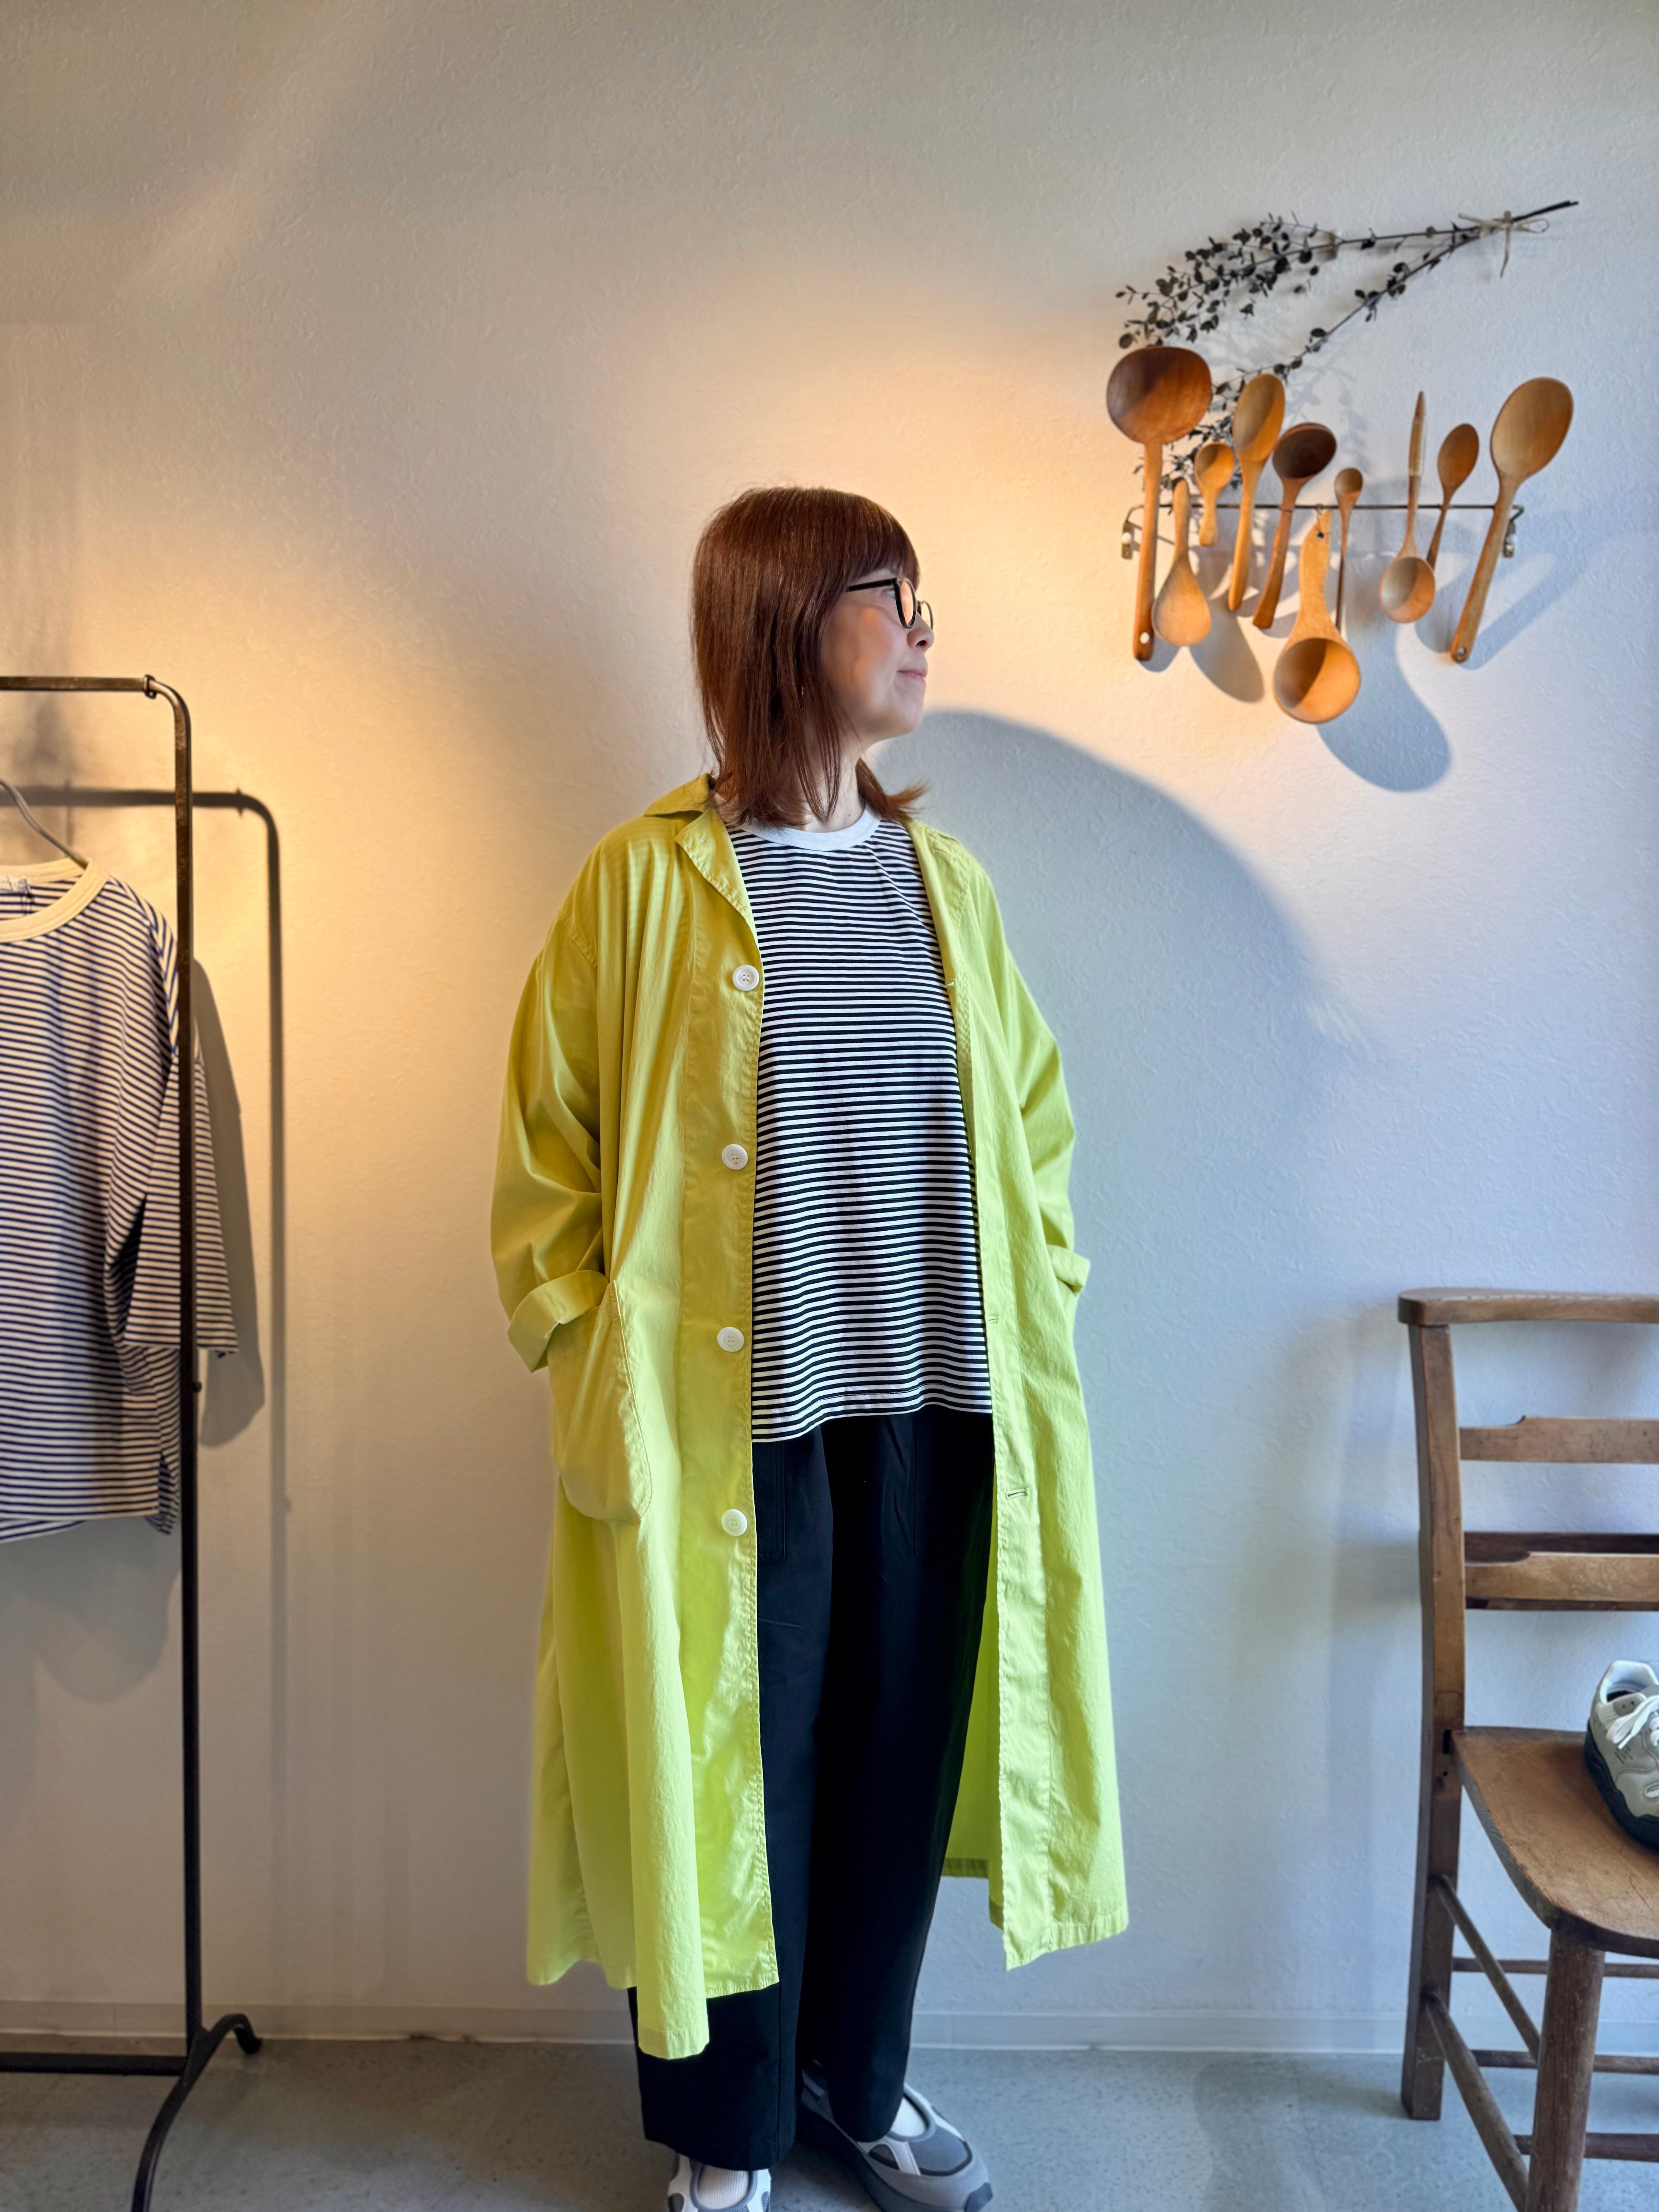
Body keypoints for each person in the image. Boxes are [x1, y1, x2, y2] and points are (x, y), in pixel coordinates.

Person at [491, 486, 1126, 2212]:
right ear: (784, 623)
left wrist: (1046, 1286)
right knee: (730, 1783)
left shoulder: (947, 886)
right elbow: (546, 1160)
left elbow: (1033, 1128)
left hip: (930, 1404)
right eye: (888, 597)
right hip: (729, 1425)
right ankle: (727, 2130)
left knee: (893, 1765)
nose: (923, 631)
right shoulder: (643, 887)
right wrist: (585, 1355)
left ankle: (858, 2080)